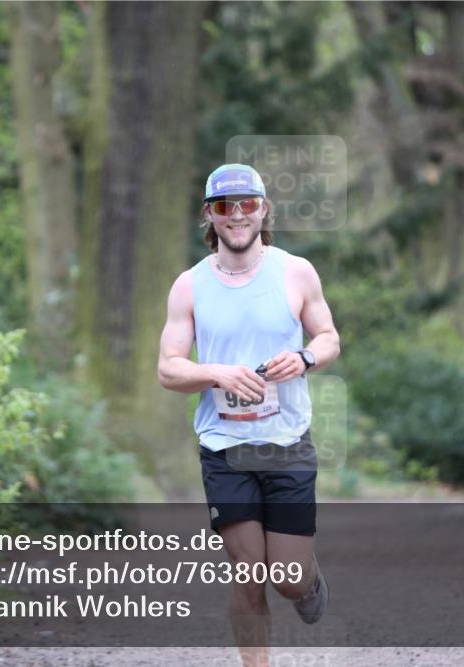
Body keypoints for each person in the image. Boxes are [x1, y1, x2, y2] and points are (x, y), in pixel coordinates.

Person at [158, 163, 340, 667]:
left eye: (247, 205)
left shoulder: (296, 271)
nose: (236, 216)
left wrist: (303, 358)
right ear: (209, 217)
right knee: (248, 571)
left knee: (286, 579)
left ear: (263, 210)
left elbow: (328, 338)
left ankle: (305, 581)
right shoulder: (189, 286)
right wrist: (216, 373)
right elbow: (168, 370)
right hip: (224, 445)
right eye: (224, 207)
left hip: (287, 444)